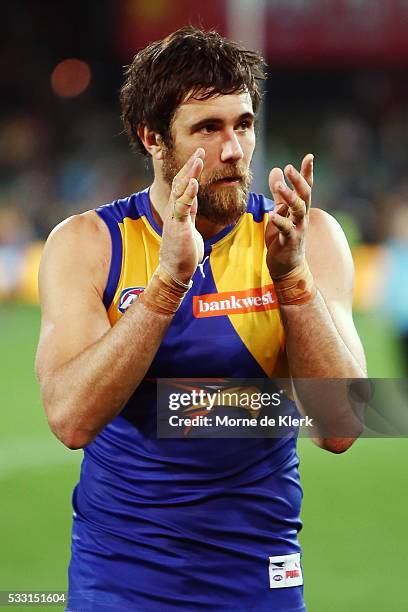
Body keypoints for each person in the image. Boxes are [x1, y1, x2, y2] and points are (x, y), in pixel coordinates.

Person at [35, 26, 366, 612]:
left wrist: (293, 279)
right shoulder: (89, 244)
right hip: (121, 581)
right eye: (207, 129)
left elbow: (339, 427)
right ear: (153, 139)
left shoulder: (305, 237)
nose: (234, 149)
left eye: (242, 123)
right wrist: (167, 286)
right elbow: (71, 420)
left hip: (261, 578)